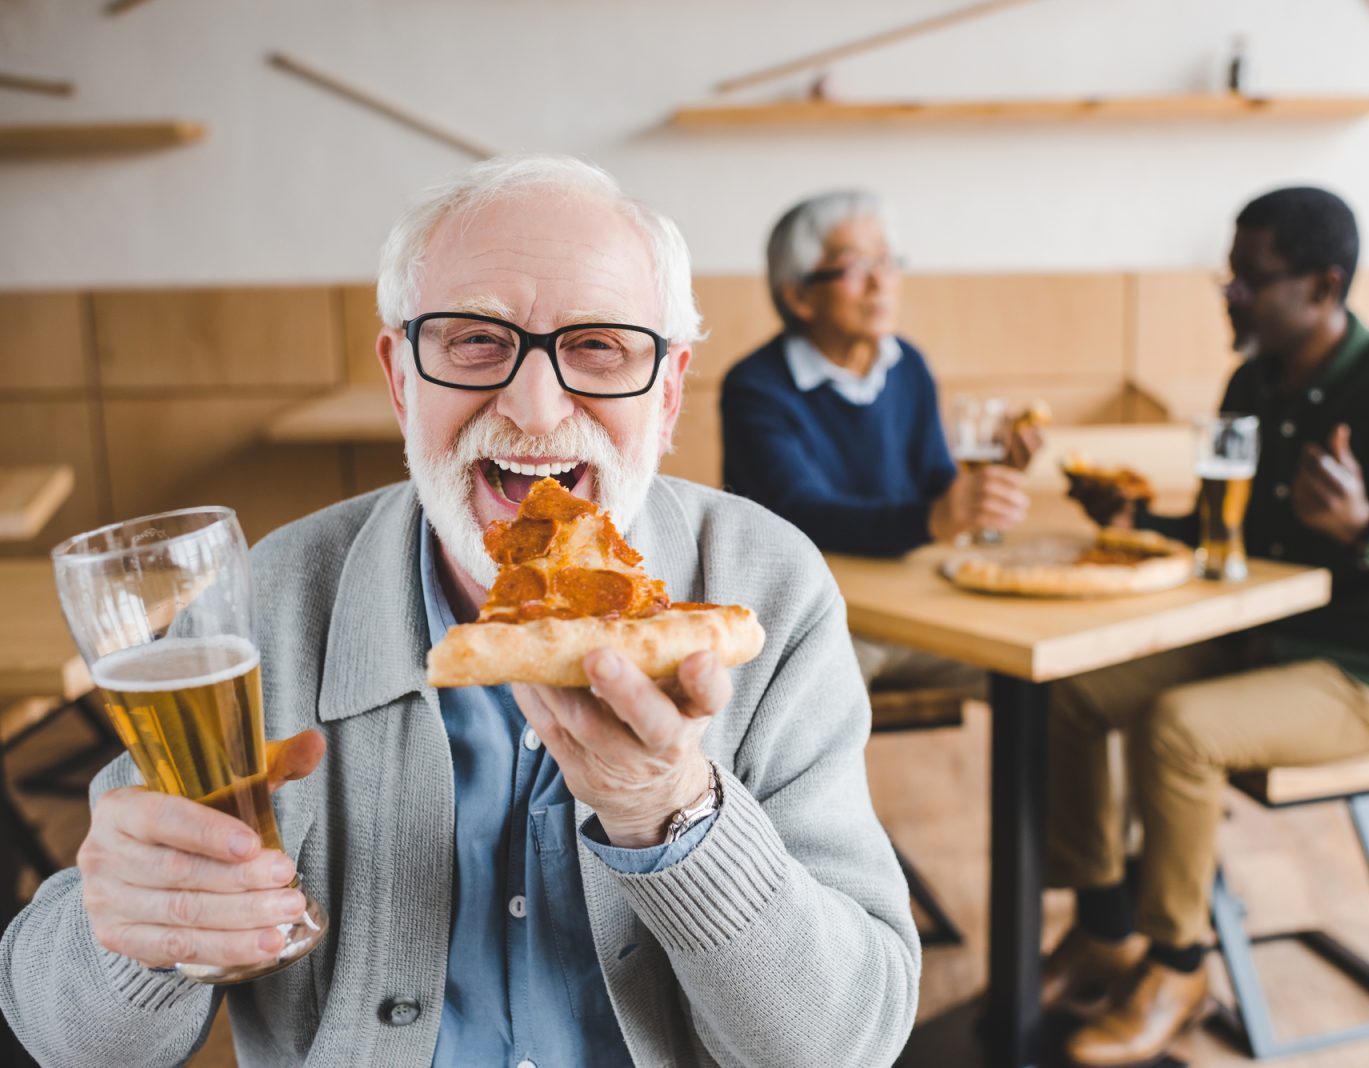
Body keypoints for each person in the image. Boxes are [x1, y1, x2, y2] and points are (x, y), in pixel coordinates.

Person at [0, 156, 919, 1067]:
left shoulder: (770, 587)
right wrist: (130, 934)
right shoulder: (270, 603)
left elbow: (845, 1043)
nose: (534, 405)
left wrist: (676, 816)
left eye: (599, 346)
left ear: (668, 389)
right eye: (474, 340)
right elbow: (70, 1040)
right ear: (402, 377)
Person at [1044, 186, 1369, 1068]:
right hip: (1254, 640)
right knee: (1071, 694)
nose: (1232, 296)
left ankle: (1180, 971)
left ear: (1324, 286)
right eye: (1232, 278)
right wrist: (1139, 517)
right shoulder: (1251, 382)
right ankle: (1104, 931)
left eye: (1252, 281)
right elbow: (1236, 536)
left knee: (1179, 730)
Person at [720, 189, 1033, 691]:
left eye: (887, 261)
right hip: (823, 622)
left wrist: (987, 487)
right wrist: (933, 518)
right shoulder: (756, 387)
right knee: (814, 699)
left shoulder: (908, 364)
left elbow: (937, 485)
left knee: (1035, 682)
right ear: (800, 294)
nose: (881, 281)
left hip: (917, 614)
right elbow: (800, 513)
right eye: (854, 266)